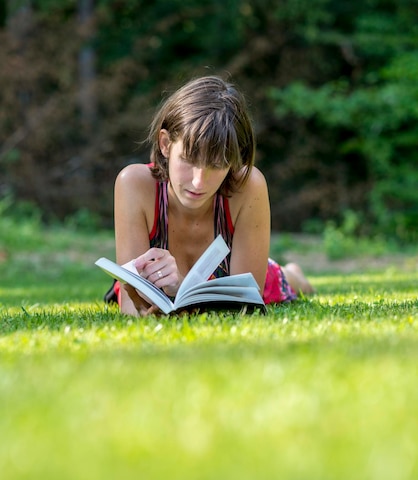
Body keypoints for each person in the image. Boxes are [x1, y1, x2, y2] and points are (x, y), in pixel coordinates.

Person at [110, 75, 314, 316]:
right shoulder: (134, 184)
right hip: (164, 283)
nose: (198, 182)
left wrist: (182, 287)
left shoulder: (247, 186)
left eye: (216, 165)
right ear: (165, 144)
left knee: (279, 282)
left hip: (235, 275)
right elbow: (130, 310)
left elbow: (246, 305)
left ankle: (293, 274)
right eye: (188, 160)